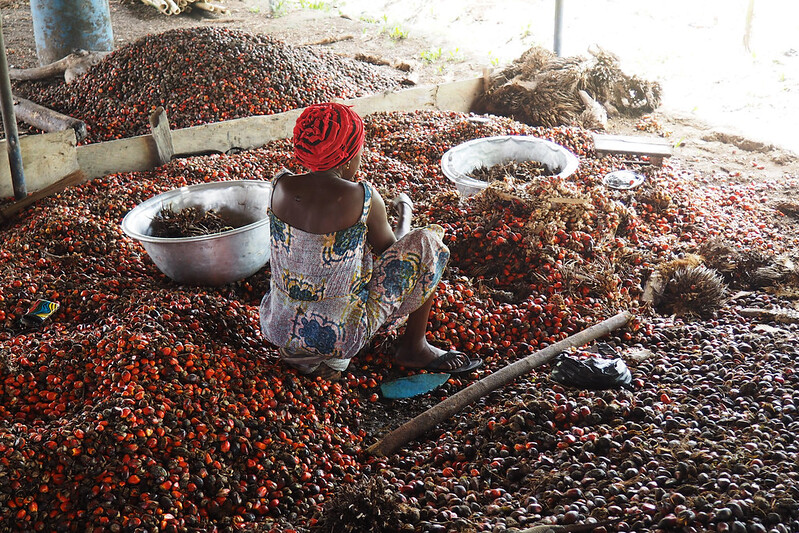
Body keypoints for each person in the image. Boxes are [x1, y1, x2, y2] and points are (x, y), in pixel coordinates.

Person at [259, 102, 482, 380]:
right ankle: (414, 347)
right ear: (349, 157)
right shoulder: (363, 198)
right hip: (339, 338)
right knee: (427, 243)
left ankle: (311, 357)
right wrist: (406, 215)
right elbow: (396, 256)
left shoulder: (279, 185)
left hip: (280, 329)